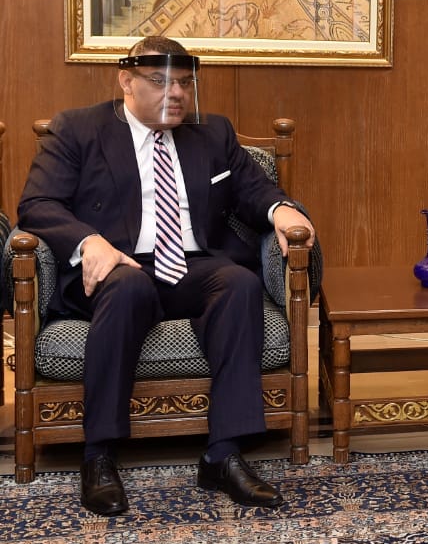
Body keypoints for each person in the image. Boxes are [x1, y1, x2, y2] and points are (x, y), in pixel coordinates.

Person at [18, 36, 317, 516]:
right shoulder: (79, 128)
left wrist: (281, 209)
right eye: (159, 82)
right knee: (128, 285)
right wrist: (89, 242)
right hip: (118, 265)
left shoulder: (213, 132)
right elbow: (37, 204)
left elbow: (254, 189)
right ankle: (98, 454)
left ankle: (223, 454)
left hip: (191, 264)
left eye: (183, 83)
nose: (175, 93)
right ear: (126, 81)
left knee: (239, 283)